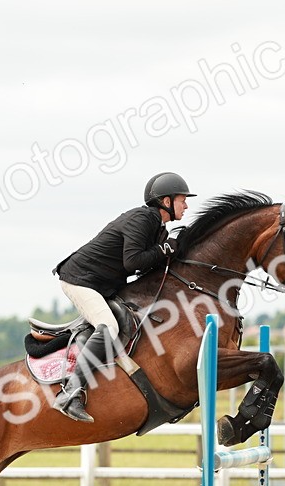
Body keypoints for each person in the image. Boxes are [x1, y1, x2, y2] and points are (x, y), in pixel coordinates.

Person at [50, 172, 196, 422]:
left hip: (103, 283)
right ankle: (69, 393)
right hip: (80, 280)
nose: (186, 205)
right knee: (109, 326)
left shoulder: (158, 227)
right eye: (182, 200)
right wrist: (165, 249)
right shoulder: (142, 219)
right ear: (167, 201)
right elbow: (133, 262)